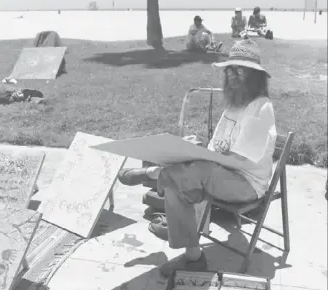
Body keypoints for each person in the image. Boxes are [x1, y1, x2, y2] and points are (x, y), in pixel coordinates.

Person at [118, 39, 277, 277]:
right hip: (223, 173)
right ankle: (192, 255)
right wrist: (194, 149)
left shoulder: (261, 108)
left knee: (190, 173)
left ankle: (154, 175)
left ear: (255, 76)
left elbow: (240, 160)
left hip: (246, 183)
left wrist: (202, 158)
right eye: (230, 69)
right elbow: (218, 147)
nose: (233, 74)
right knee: (182, 176)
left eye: (240, 70)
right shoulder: (234, 106)